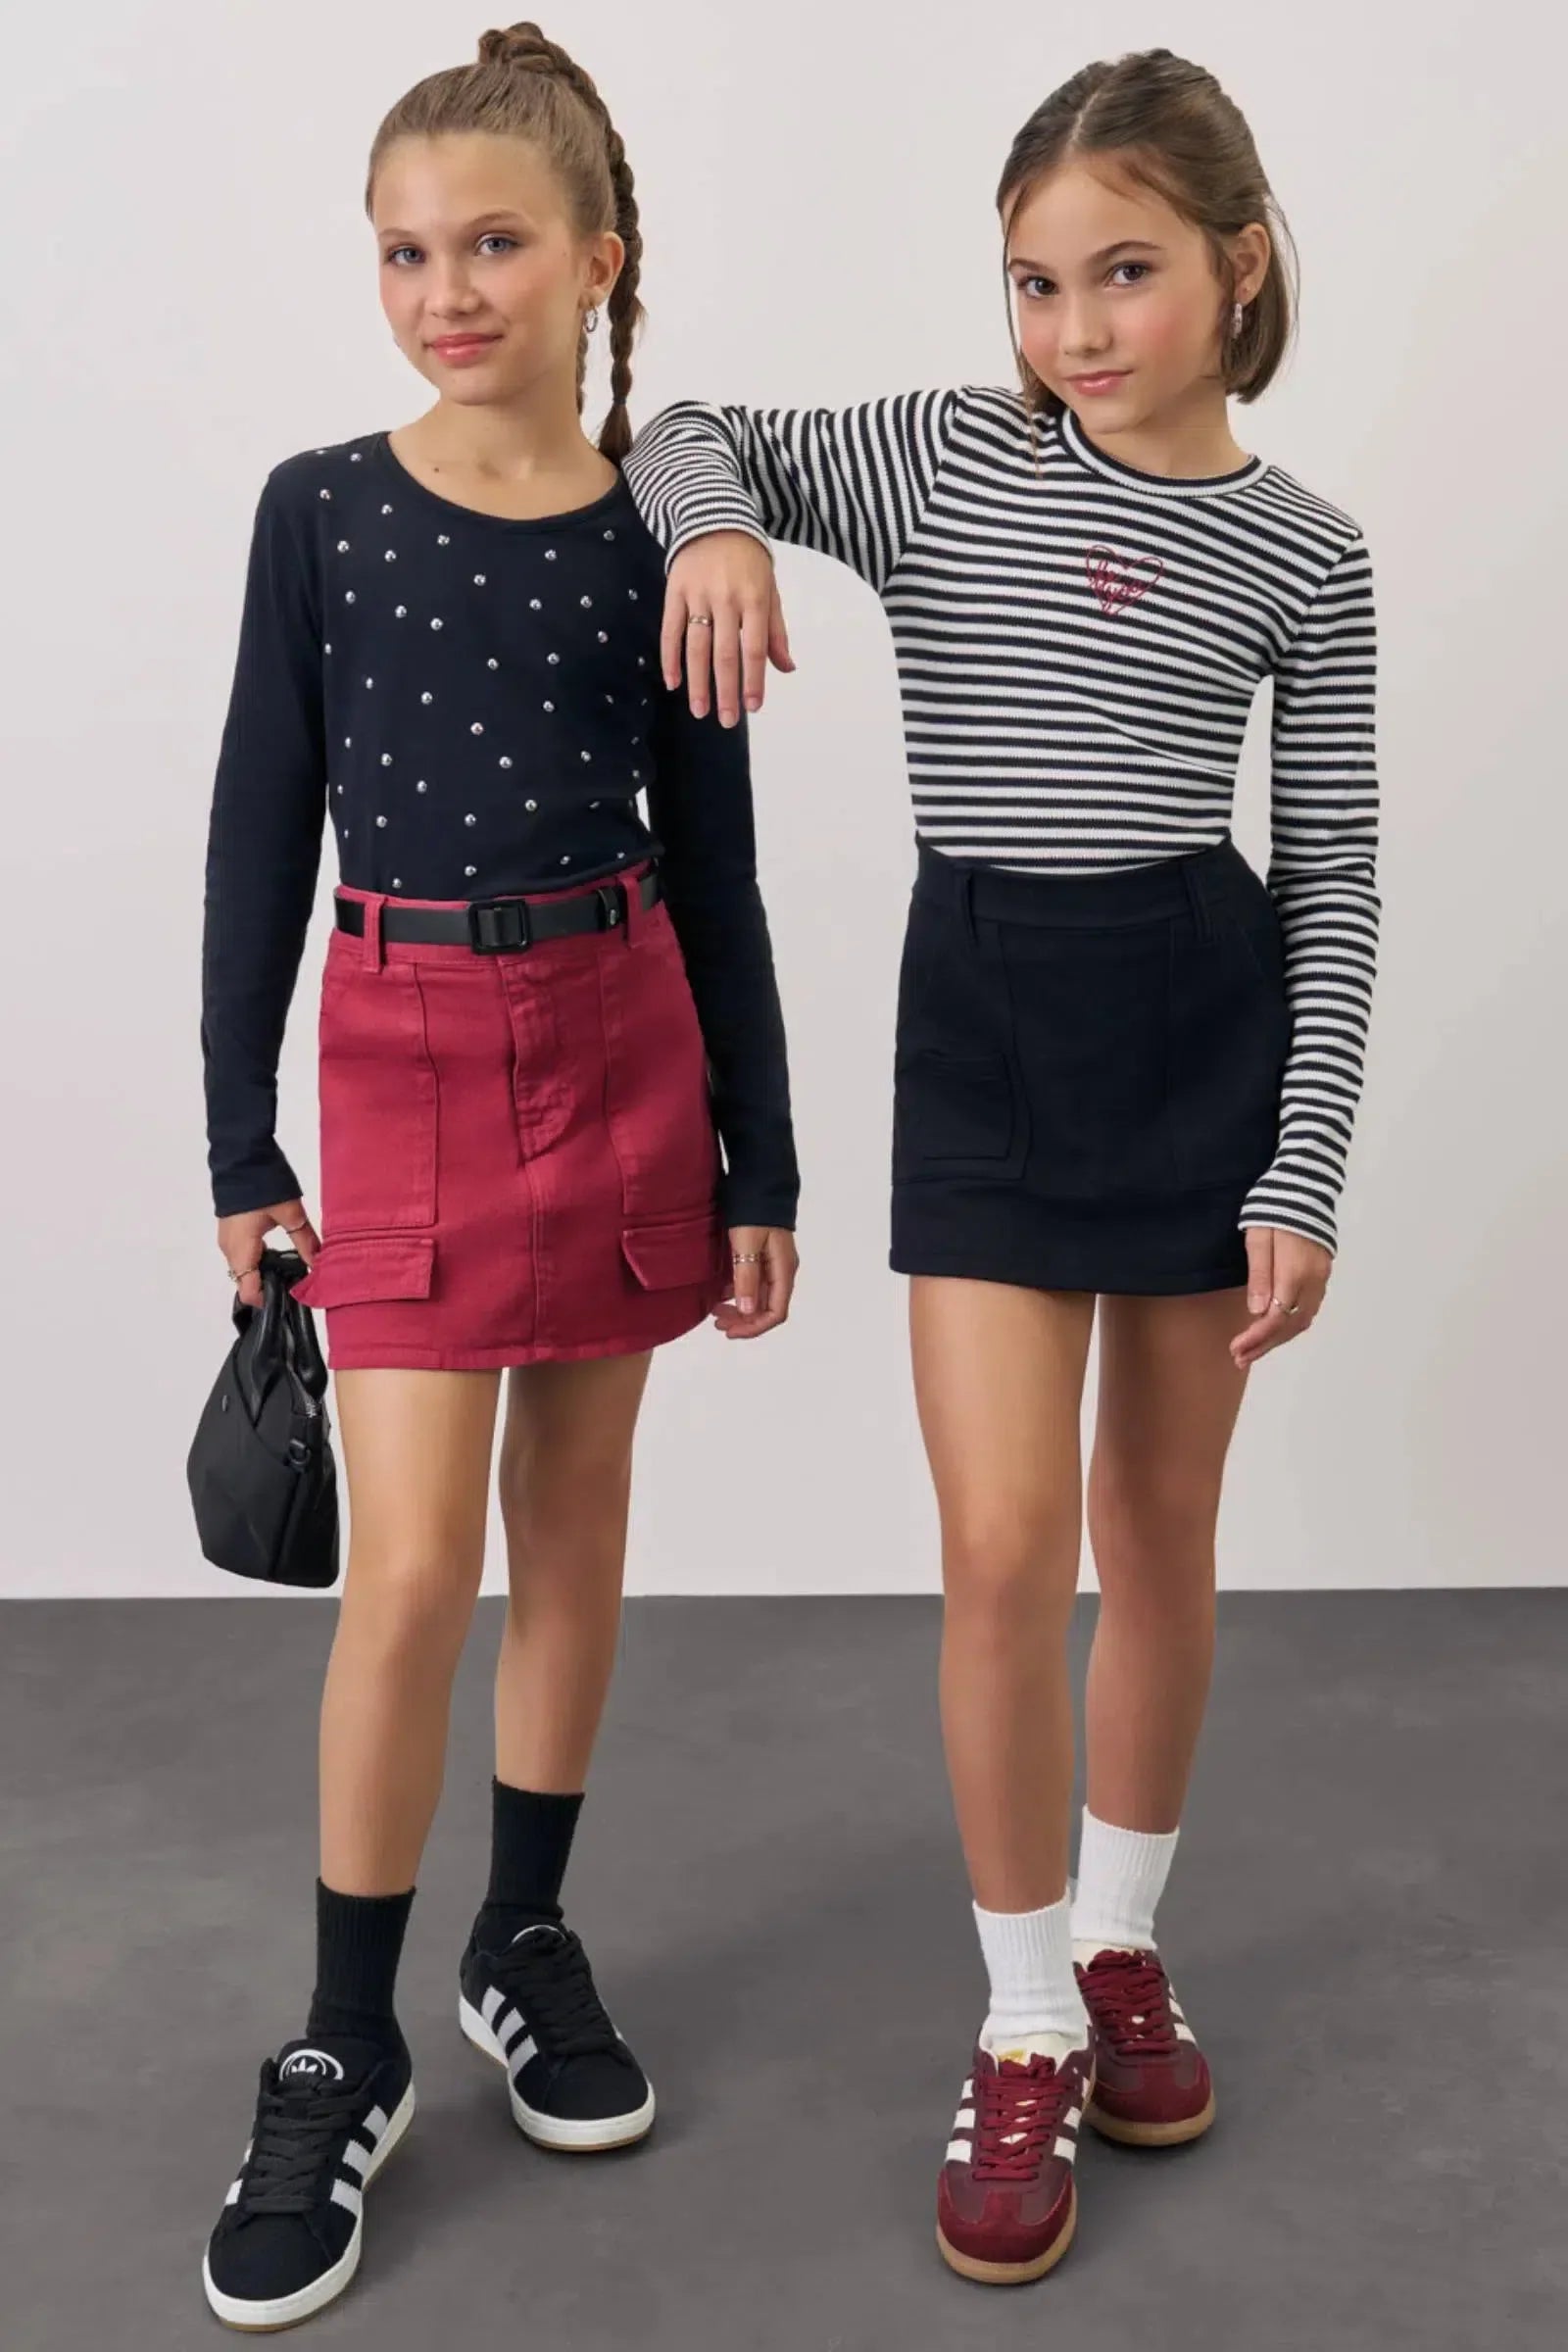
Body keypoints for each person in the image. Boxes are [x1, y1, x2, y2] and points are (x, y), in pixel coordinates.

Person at [623, 45, 1379, 2287]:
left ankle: (1123, 1938)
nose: (1071, 329)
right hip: (981, 1035)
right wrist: (717, 530)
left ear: (1236, 268)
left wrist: (1303, 1163)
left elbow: (1331, 877)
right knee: (996, 1545)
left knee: (1157, 1533)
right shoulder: (954, 457)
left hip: (1195, 1031)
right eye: (1034, 284)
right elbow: (684, 428)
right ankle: (1024, 2006)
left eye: (1121, 274)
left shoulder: (1306, 551)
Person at [197, 21, 799, 2331]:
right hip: (404, 1051)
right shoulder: (319, 510)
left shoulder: (665, 529)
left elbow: (715, 864)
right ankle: (340, 2039)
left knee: (575, 1534)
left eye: (492, 245)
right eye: (402, 253)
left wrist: (758, 1150)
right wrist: (237, 1138)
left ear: (595, 258)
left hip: (625, 1032)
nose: (443, 292)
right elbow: (258, 829)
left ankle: (520, 1935)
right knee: (412, 1568)